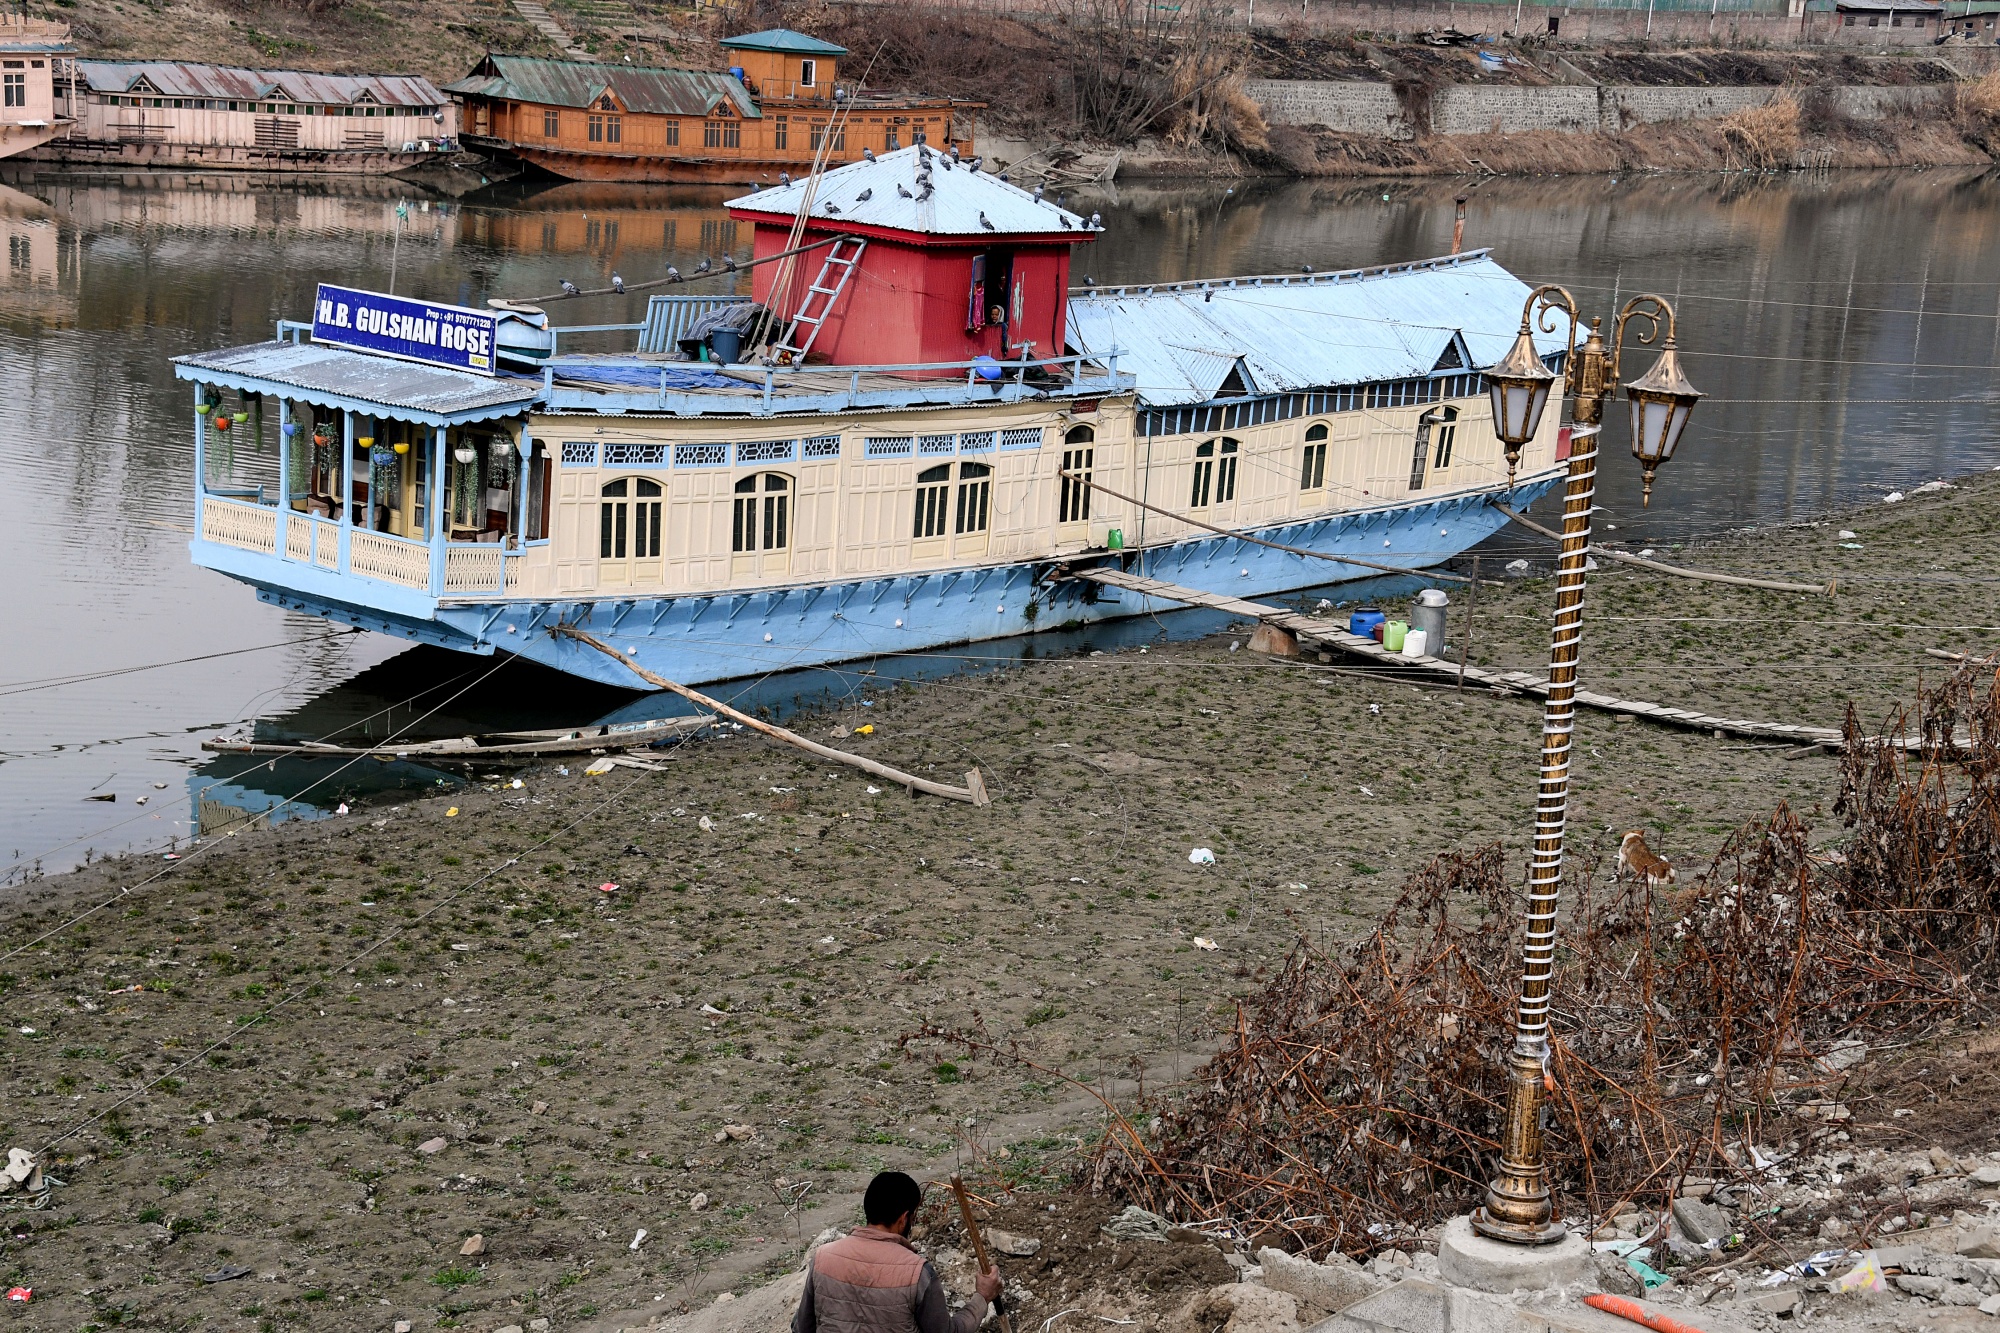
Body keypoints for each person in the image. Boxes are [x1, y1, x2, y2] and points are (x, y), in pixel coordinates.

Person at [793, 1172, 1003, 1333]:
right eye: (913, 1216)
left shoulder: (823, 1258)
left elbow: (802, 1328)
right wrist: (982, 1297)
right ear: (904, 1218)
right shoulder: (918, 1273)